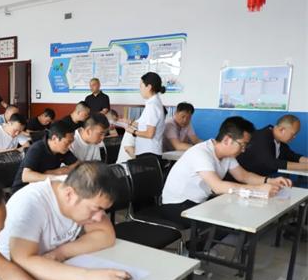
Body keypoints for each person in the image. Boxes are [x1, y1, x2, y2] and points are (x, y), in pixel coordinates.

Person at [0, 162, 132, 280]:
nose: (99, 218)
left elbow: (105, 236)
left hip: (46, 266)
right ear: (69, 195)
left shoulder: (83, 189)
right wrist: (87, 278)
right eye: (95, 209)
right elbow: (23, 262)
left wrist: (59, 253)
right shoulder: (31, 204)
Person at [161, 116, 292, 228]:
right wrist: (258, 190)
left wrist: (270, 181)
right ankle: (196, 247)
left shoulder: (227, 156)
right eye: (242, 145)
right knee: (227, 221)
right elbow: (217, 187)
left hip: (198, 201)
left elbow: (243, 176)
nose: (244, 150)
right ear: (227, 140)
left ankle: (201, 244)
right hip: (177, 205)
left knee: (236, 212)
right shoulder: (201, 153)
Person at [12, 121, 78, 193]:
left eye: (72, 142)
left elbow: (78, 164)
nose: (70, 146)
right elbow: (26, 176)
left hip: (43, 187)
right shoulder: (37, 148)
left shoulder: (63, 149)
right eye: (68, 142)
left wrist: (55, 172)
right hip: (24, 190)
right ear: (54, 138)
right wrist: (55, 176)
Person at [236, 114, 308, 176]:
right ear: (281, 130)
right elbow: (270, 163)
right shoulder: (262, 137)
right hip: (239, 179)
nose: (294, 137)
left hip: (256, 179)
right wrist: (305, 167)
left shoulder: (279, 141)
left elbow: (292, 156)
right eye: (293, 134)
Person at [126, 72, 166, 159]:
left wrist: (133, 132)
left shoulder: (152, 105)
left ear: (149, 87)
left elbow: (149, 134)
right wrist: (131, 123)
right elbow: (146, 125)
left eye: (141, 86)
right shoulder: (152, 103)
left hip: (149, 153)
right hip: (148, 151)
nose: (140, 89)